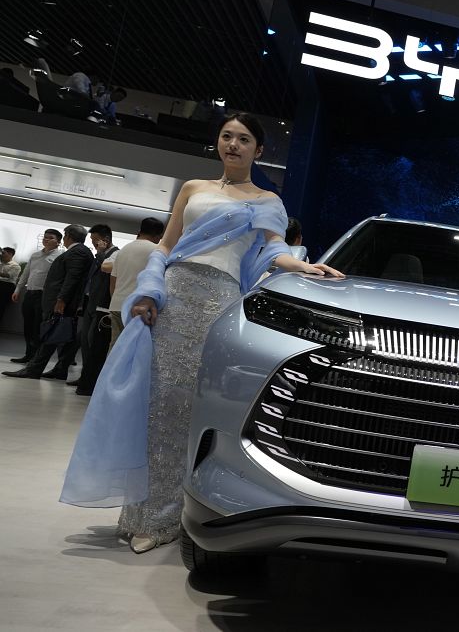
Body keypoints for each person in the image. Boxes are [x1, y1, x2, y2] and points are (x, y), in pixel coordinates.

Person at [59, 113, 344, 555]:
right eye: (227, 136)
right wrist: (151, 290)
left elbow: (274, 249)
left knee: (189, 411)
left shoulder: (268, 200)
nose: (233, 144)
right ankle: (142, 514)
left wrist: (303, 265)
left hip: (217, 306)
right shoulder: (192, 187)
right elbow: (166, 247)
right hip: (171, 301)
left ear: (259, 150)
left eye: (244, 139)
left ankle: (171, 515)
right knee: (157, 406)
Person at [2, 224, 91, 380]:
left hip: (62, 302)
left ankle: (35, 369)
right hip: (57, 300)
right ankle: (59, 369)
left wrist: (61, 300)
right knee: (58, 335)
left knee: (52, 335)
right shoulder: (78, 252)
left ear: (67, 236)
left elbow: (72, 279)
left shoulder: (78, 252)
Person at [70, 224, 119, 396]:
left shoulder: (115, 255)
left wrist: (101, 253)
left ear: (105, 240)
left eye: (95, 240)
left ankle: (90, 379)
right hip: (90, 302)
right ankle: (85, 376)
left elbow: (107, 273)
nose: (93, 244)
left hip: (102, 305)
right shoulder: (99, 255)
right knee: (84, 341)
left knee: (94, 343)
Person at [102, 217, 164, 352]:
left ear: (139, 231)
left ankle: (108, 373)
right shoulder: (158, 251)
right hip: (139, 306)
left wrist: (116, 299)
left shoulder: (124, 249)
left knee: (115, 347)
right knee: (133, 349)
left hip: (117, 304)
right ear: (159, 236)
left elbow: (114, 280)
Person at [9, 229, 63, 363]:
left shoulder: (60, 256)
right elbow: (26, 273)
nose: (46, 240)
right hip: (30, 293)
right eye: (45, 237)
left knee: (38, 327)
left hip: (44, 295)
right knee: (27, 325)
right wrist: (17, 290)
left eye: (50, 238)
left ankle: (36, 357)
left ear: (58, 242)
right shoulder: (35, 255)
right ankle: (28, 354)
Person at [0, 247, 20, 321]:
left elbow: (8, 275)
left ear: (10, 254)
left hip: (6, 286)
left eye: (3, 253)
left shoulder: (15, 266)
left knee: (1, 307)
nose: (2, 255)